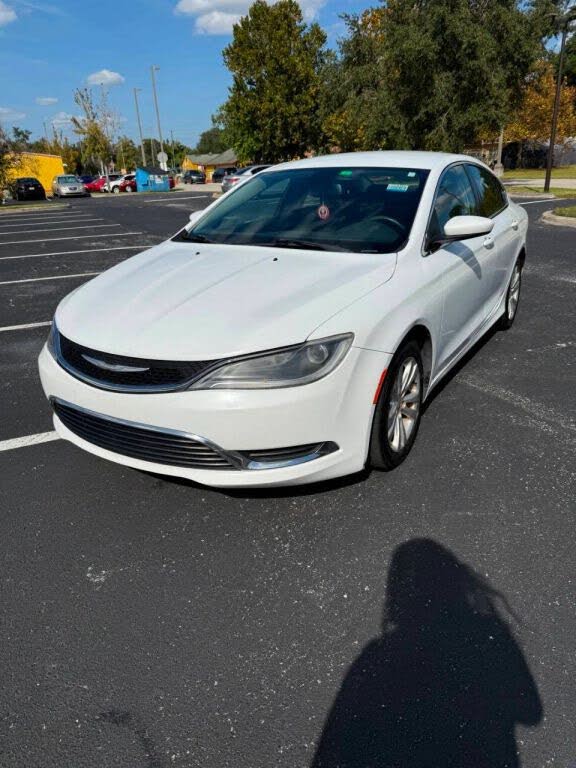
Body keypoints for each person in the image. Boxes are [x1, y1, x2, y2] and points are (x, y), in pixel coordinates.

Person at [311, 538, 542, 768]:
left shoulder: (379, 659)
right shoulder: (487, 639)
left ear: (397, 592)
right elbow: (530, 710)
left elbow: (332, 749)